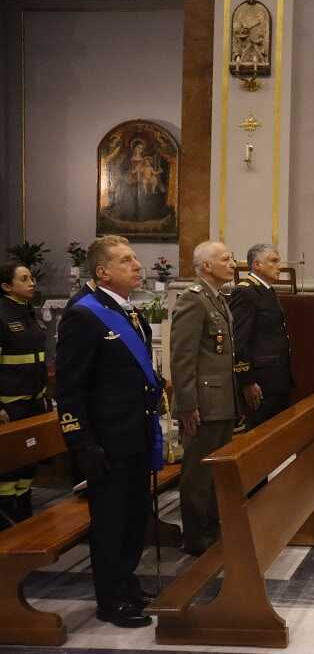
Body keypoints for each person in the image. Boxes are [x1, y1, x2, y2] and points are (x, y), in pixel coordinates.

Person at [56, 235, 160, 627]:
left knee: (134, 517)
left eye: (135, 259)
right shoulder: (84, 315)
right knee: (111, 522)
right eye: (126, 260)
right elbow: (70, 388)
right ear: (102, 272)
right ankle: (110, 600)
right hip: (107, 440)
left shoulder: (129, 311)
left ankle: (126, 584)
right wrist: (82, 442)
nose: (137, 265)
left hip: (135, 432)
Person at [170, 241, 239, 556]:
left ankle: (212, 528)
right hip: (203, 403)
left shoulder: (218, 299)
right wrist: (186, 405)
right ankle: (196, 537)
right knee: (198, 474)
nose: (233, 263)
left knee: (214, 472)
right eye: (225, 259)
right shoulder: (193, 301)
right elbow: (182, 357)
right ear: (206, 266)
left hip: (222, 400)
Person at [0, 261, 49, 525]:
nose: (32, 283)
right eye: (24, 279)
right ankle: (7, 515)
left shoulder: (28, 311)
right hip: (11, 401)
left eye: (31, 277)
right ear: (7, 286)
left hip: (34, 397)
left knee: (30, 458)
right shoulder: (2, 314)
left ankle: (23, 510)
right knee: (11, 462)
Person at [229, 244, 293, 432]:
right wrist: (246, 382)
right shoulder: (245, 292)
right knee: (260, 435)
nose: (279, 266)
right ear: (257, 265)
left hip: (276, 377)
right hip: (260, 381)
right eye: (273, 261)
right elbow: (239, 341)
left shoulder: (266, 290)